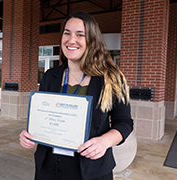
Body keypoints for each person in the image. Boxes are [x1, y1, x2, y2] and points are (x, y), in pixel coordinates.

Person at [19, 11, 133, 180]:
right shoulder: (51, 76)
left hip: (90, 170)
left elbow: (124, 122)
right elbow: (41, 118)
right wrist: (29, 134)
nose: (71, 40)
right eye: (67, 33)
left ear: (92, 40)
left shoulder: (111, 79)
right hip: (48, 167)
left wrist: (105, 142)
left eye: (80, 35)